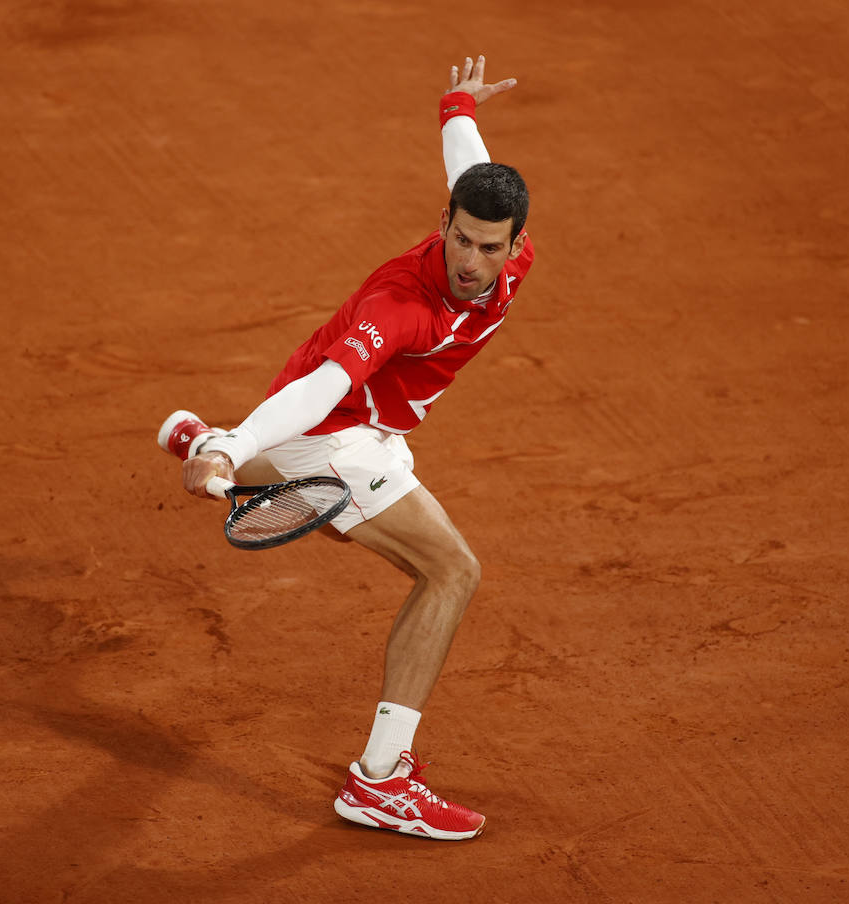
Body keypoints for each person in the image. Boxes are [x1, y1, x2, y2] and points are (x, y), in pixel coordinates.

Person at [157, 55, 532, 841]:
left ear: (514, 243)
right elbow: (324, 388)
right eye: (460, 241)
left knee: (352, 497)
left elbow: (474, 168)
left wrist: (456, 105)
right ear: (442, 226)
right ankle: (380, 781)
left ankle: (194, 440)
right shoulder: (401, 304)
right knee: (450, 571)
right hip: (334, 428)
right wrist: (240, 438)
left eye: (489, 248)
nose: (471, 262)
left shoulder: (506, 253)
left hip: (367, 431)